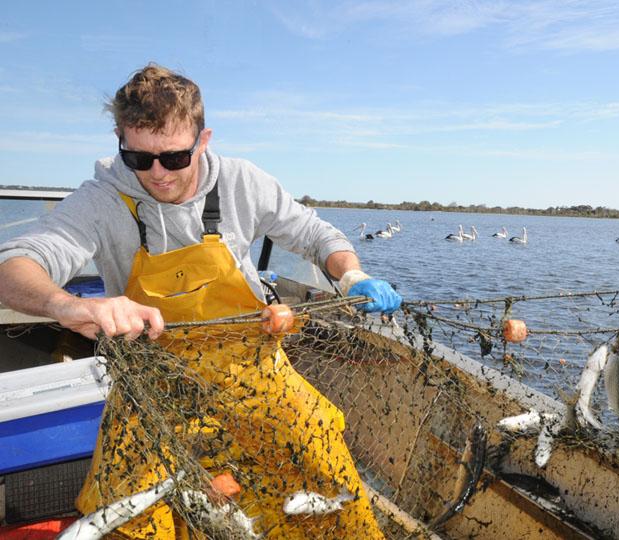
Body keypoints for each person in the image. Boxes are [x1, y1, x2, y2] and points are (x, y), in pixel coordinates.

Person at [0, 63, 400, 538]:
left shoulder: (242, 182)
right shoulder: (101, 200)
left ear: (202, 140)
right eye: (138, 159)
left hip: (251, 367)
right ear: (119, 140)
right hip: (153, 379)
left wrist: (351, 273)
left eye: (173, 158)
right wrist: (71, 306)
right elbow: (15, 267)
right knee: (128, 506)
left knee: (320, 456)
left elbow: (315, 234)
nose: (157, 174)